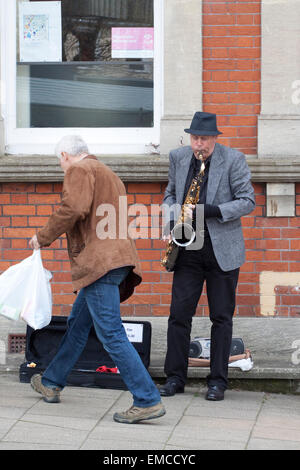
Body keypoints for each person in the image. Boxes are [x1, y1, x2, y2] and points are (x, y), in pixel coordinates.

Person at [29, 135, 165, 424]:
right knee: (78, 327)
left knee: (111, 333)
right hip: (116, 258)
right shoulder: (109, 174)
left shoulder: (79, 170)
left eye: (59, 161)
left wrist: (42, 237)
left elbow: (73, 209)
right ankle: (51, 382)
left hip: (99, 263)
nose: (62, 167)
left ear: (66, 155)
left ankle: (147, 399)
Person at [159, 112, 255, 401]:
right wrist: (170, 221)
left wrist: (213, 210)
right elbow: (170, 195)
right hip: (187, 247)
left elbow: (247, 200)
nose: (198, 144)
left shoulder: (234, 159)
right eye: (195, 138)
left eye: (204, 139)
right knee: (178, 316)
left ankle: (217, 382)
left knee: (221, 318)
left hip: (221, 249)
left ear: (215, 138)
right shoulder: (178, 157)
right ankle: (175, 378)